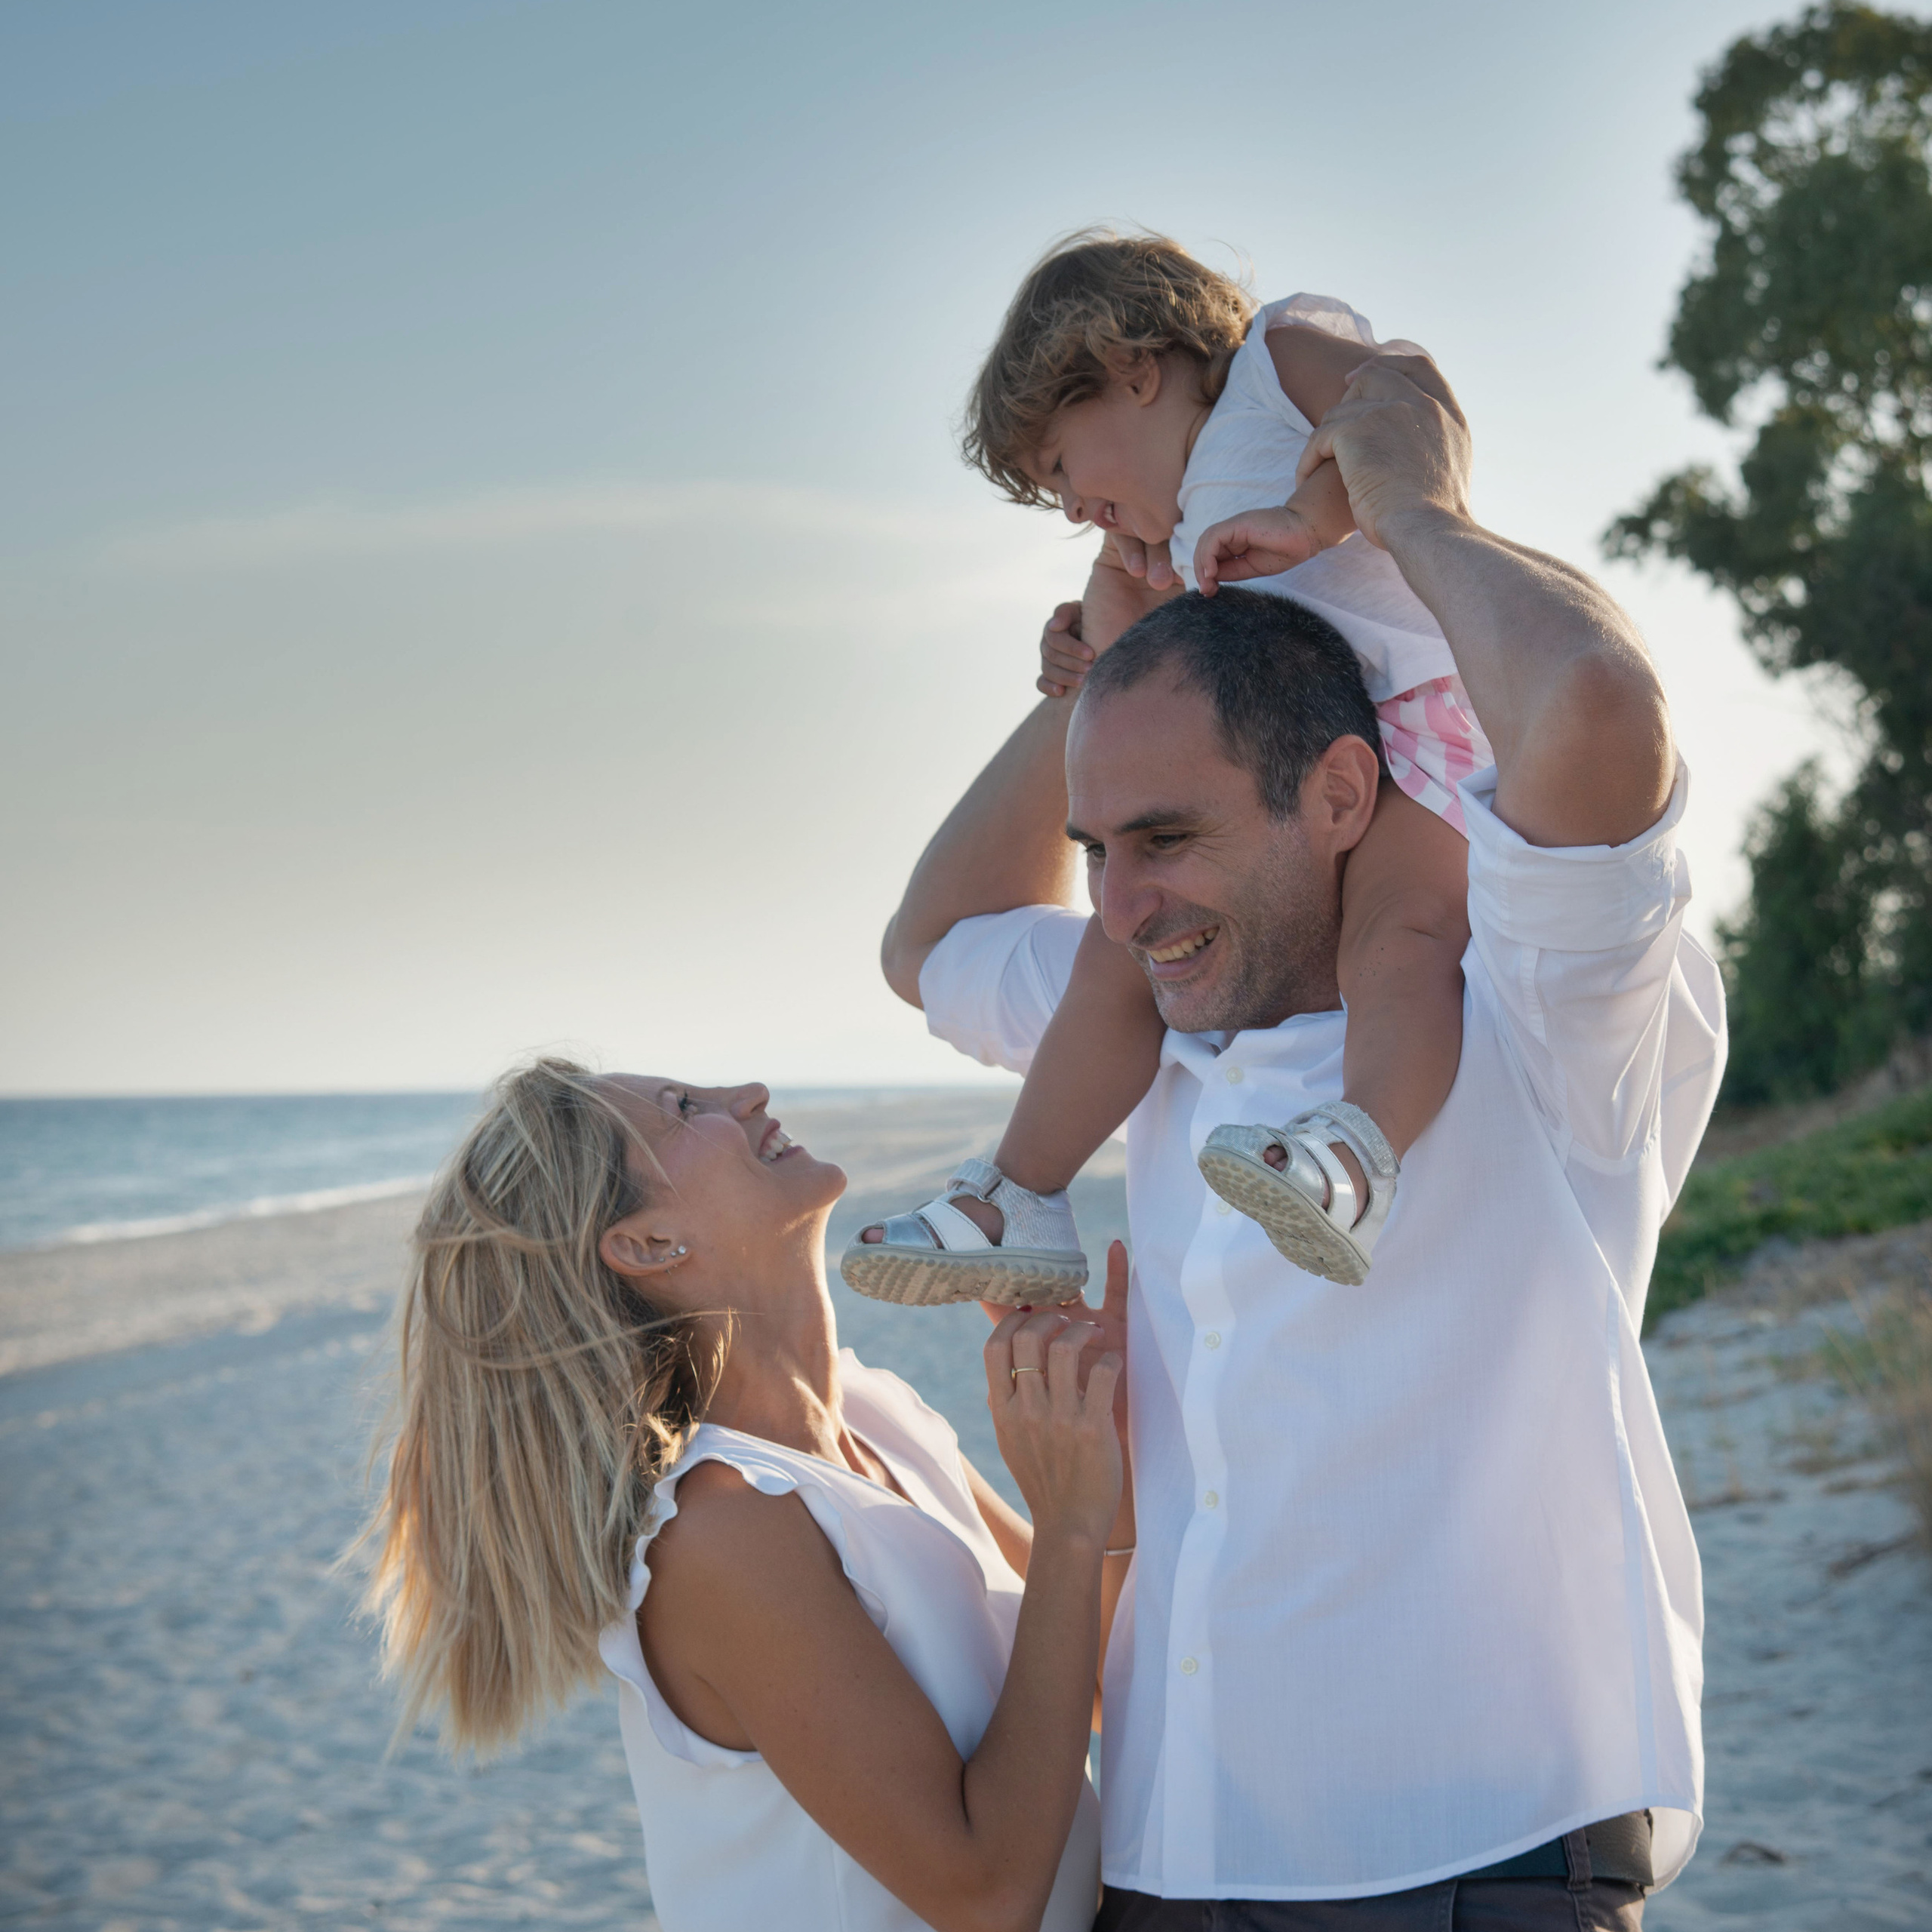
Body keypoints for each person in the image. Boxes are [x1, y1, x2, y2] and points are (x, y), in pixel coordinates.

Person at [877, 349, 1726, 1923]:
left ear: (1341, 791)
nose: (1119, 906)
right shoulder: (1147, 1008)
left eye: (1169, 836)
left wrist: (1410, 511)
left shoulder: (1532, 1009)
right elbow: (927, 940)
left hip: (1472, 1866)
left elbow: (1597, 708)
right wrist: (1100, 674)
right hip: (1158, 1859)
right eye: (1097, 849)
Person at [845, 232, 1481, 1302]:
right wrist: (1082, 658)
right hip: (1289, 777)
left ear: (1132, 368)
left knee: (1402, 936)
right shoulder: (1160, 542)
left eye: (1060, 465)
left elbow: (1416, 406)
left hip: (1418, 736)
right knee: (1117, 949)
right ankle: (1022, 1193)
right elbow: (1131, 687)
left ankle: (1355, 1154)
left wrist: (1313, 513)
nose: (1067, 506)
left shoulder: (1278, 364)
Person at [358, 1058, 1133, 1932]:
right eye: (686, 1109)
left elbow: (1098, 1681)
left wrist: (1114, 1468)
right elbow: (987, 1894)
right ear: (649, 1243)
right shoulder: (720, 1531)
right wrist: (1067, 1521)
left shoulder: (875, 1411)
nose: (750, 1094)